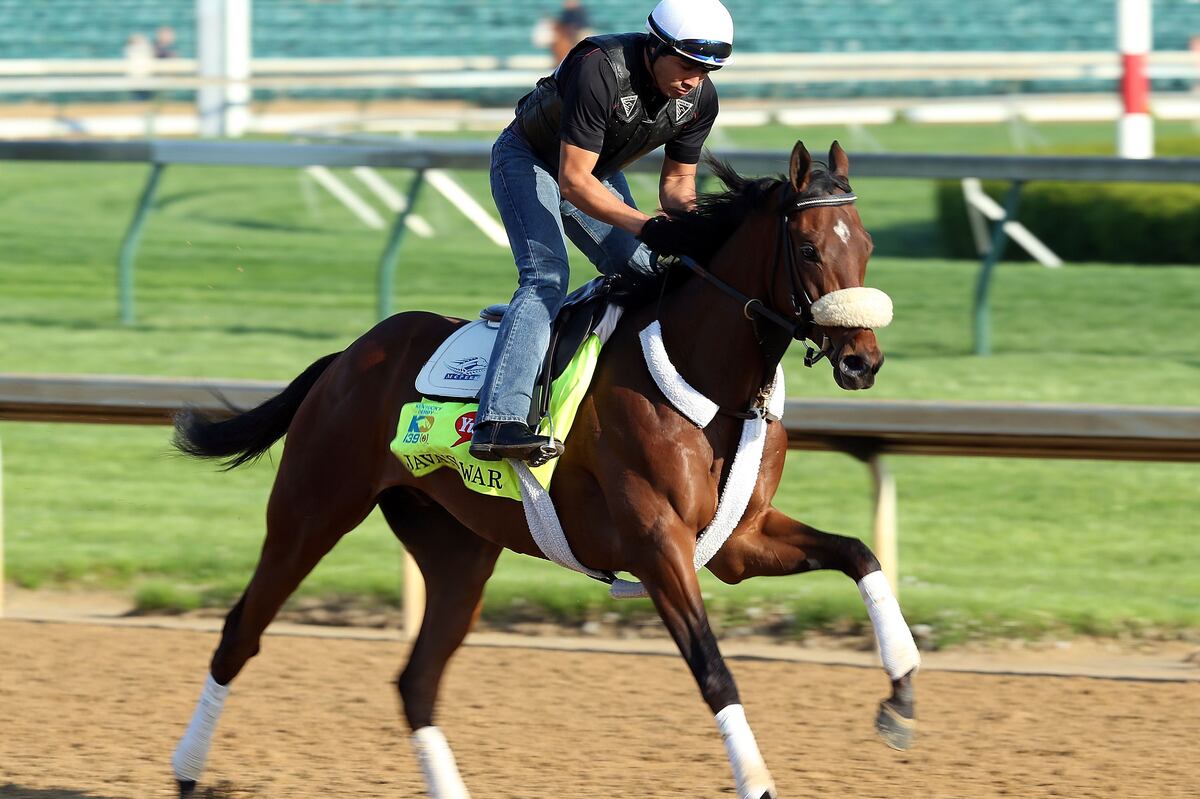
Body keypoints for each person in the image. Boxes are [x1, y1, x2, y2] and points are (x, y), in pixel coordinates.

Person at [469, 0, 734, 463]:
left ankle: (595, 373)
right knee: (546, 276)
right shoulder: (599, 67)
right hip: (529, 160)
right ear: (655, 46)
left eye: (708, 68)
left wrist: (697, 231)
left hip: (596, 171)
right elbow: (572, 182)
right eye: (688, 63)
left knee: (647, 275)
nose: (695, 78)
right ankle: (500, 420)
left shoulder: (701, 100)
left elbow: (676, 184)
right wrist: (646, 225)